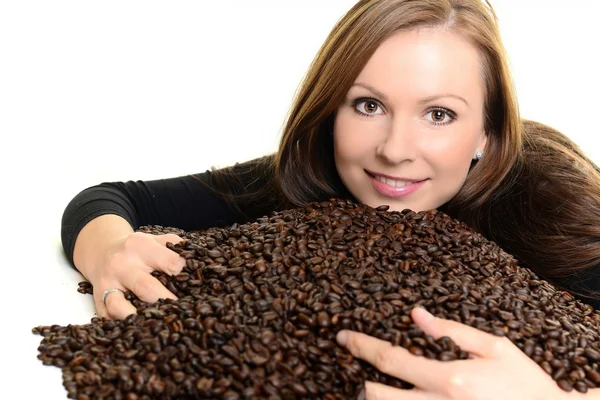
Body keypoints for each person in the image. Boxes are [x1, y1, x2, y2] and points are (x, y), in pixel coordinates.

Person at [61, 0, 600, 398]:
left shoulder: (551, 208)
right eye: (368, 105)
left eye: (439, 114)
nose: (394, 150)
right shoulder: (317, 181)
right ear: (330, 111)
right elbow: (109, 199)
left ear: (488, 131)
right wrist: (108, 248)